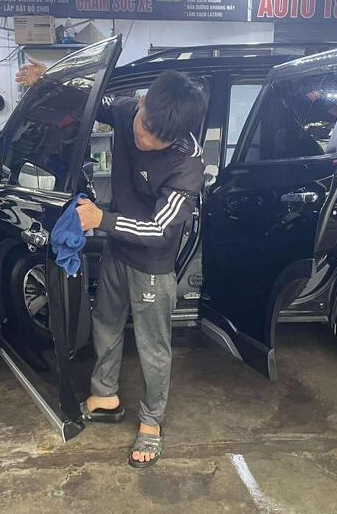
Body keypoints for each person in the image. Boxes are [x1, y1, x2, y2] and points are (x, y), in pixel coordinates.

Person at [16, 60, 206, 468]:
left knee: (153, 346)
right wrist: (46, 82)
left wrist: (101, 219)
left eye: (157, 138)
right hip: (117, 252)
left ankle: (151, 421)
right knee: (106, 322)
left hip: (152, 264)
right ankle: (105, 396)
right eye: (144, 125)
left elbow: (161, 230)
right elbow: (86, 100)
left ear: (176, 138)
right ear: (142, 102)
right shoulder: (126, 110)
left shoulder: (187, 163)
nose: (144, 138)